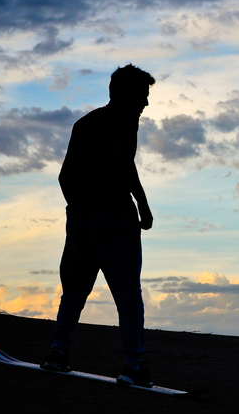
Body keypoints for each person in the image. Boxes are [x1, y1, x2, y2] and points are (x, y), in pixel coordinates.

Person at [41, 64, 156, 387]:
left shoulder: (85, 124)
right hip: (115, 219)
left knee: (74, 290)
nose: (145, 104)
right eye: (142, 97)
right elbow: (123, 164)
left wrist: (79, 211)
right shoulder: (125, 122)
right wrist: (141, 205)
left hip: (81, 220)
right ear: (125, 95)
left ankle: (57, 351)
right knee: (128, 293)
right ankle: (132, 364)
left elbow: (64, 176)